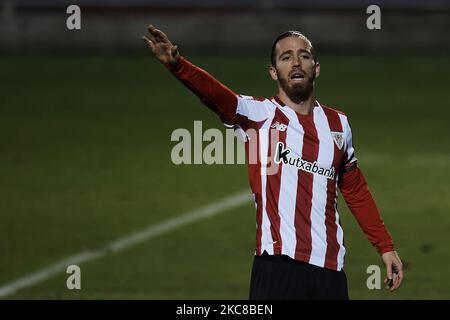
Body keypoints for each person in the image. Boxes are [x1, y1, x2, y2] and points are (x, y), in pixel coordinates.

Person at [142, 25, 404, 300]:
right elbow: (216, 95)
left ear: (316, 68)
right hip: (277, 265)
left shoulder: (339, 124)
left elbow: (354, 188)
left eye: (304, 55)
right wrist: (177, 65)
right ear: (273, 71)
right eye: (285, 57)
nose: (296, 62)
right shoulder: (258, 115)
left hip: (330, 268)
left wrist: (385, 246)